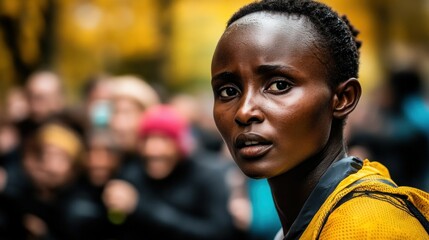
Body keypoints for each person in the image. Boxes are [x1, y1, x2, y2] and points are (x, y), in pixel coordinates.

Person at [210, 0, 429, 239]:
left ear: (343, 98)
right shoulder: (311, 219)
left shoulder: (367, 228)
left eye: (279, 85)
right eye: (228, 91)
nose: (244, 111)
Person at [103, 105, 236, 240]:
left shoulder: (209, 175)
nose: (153, 149)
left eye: (164, 140)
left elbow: (219, 233)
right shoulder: (133, 175)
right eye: (147, 140)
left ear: (180, 145)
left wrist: (142, 208)